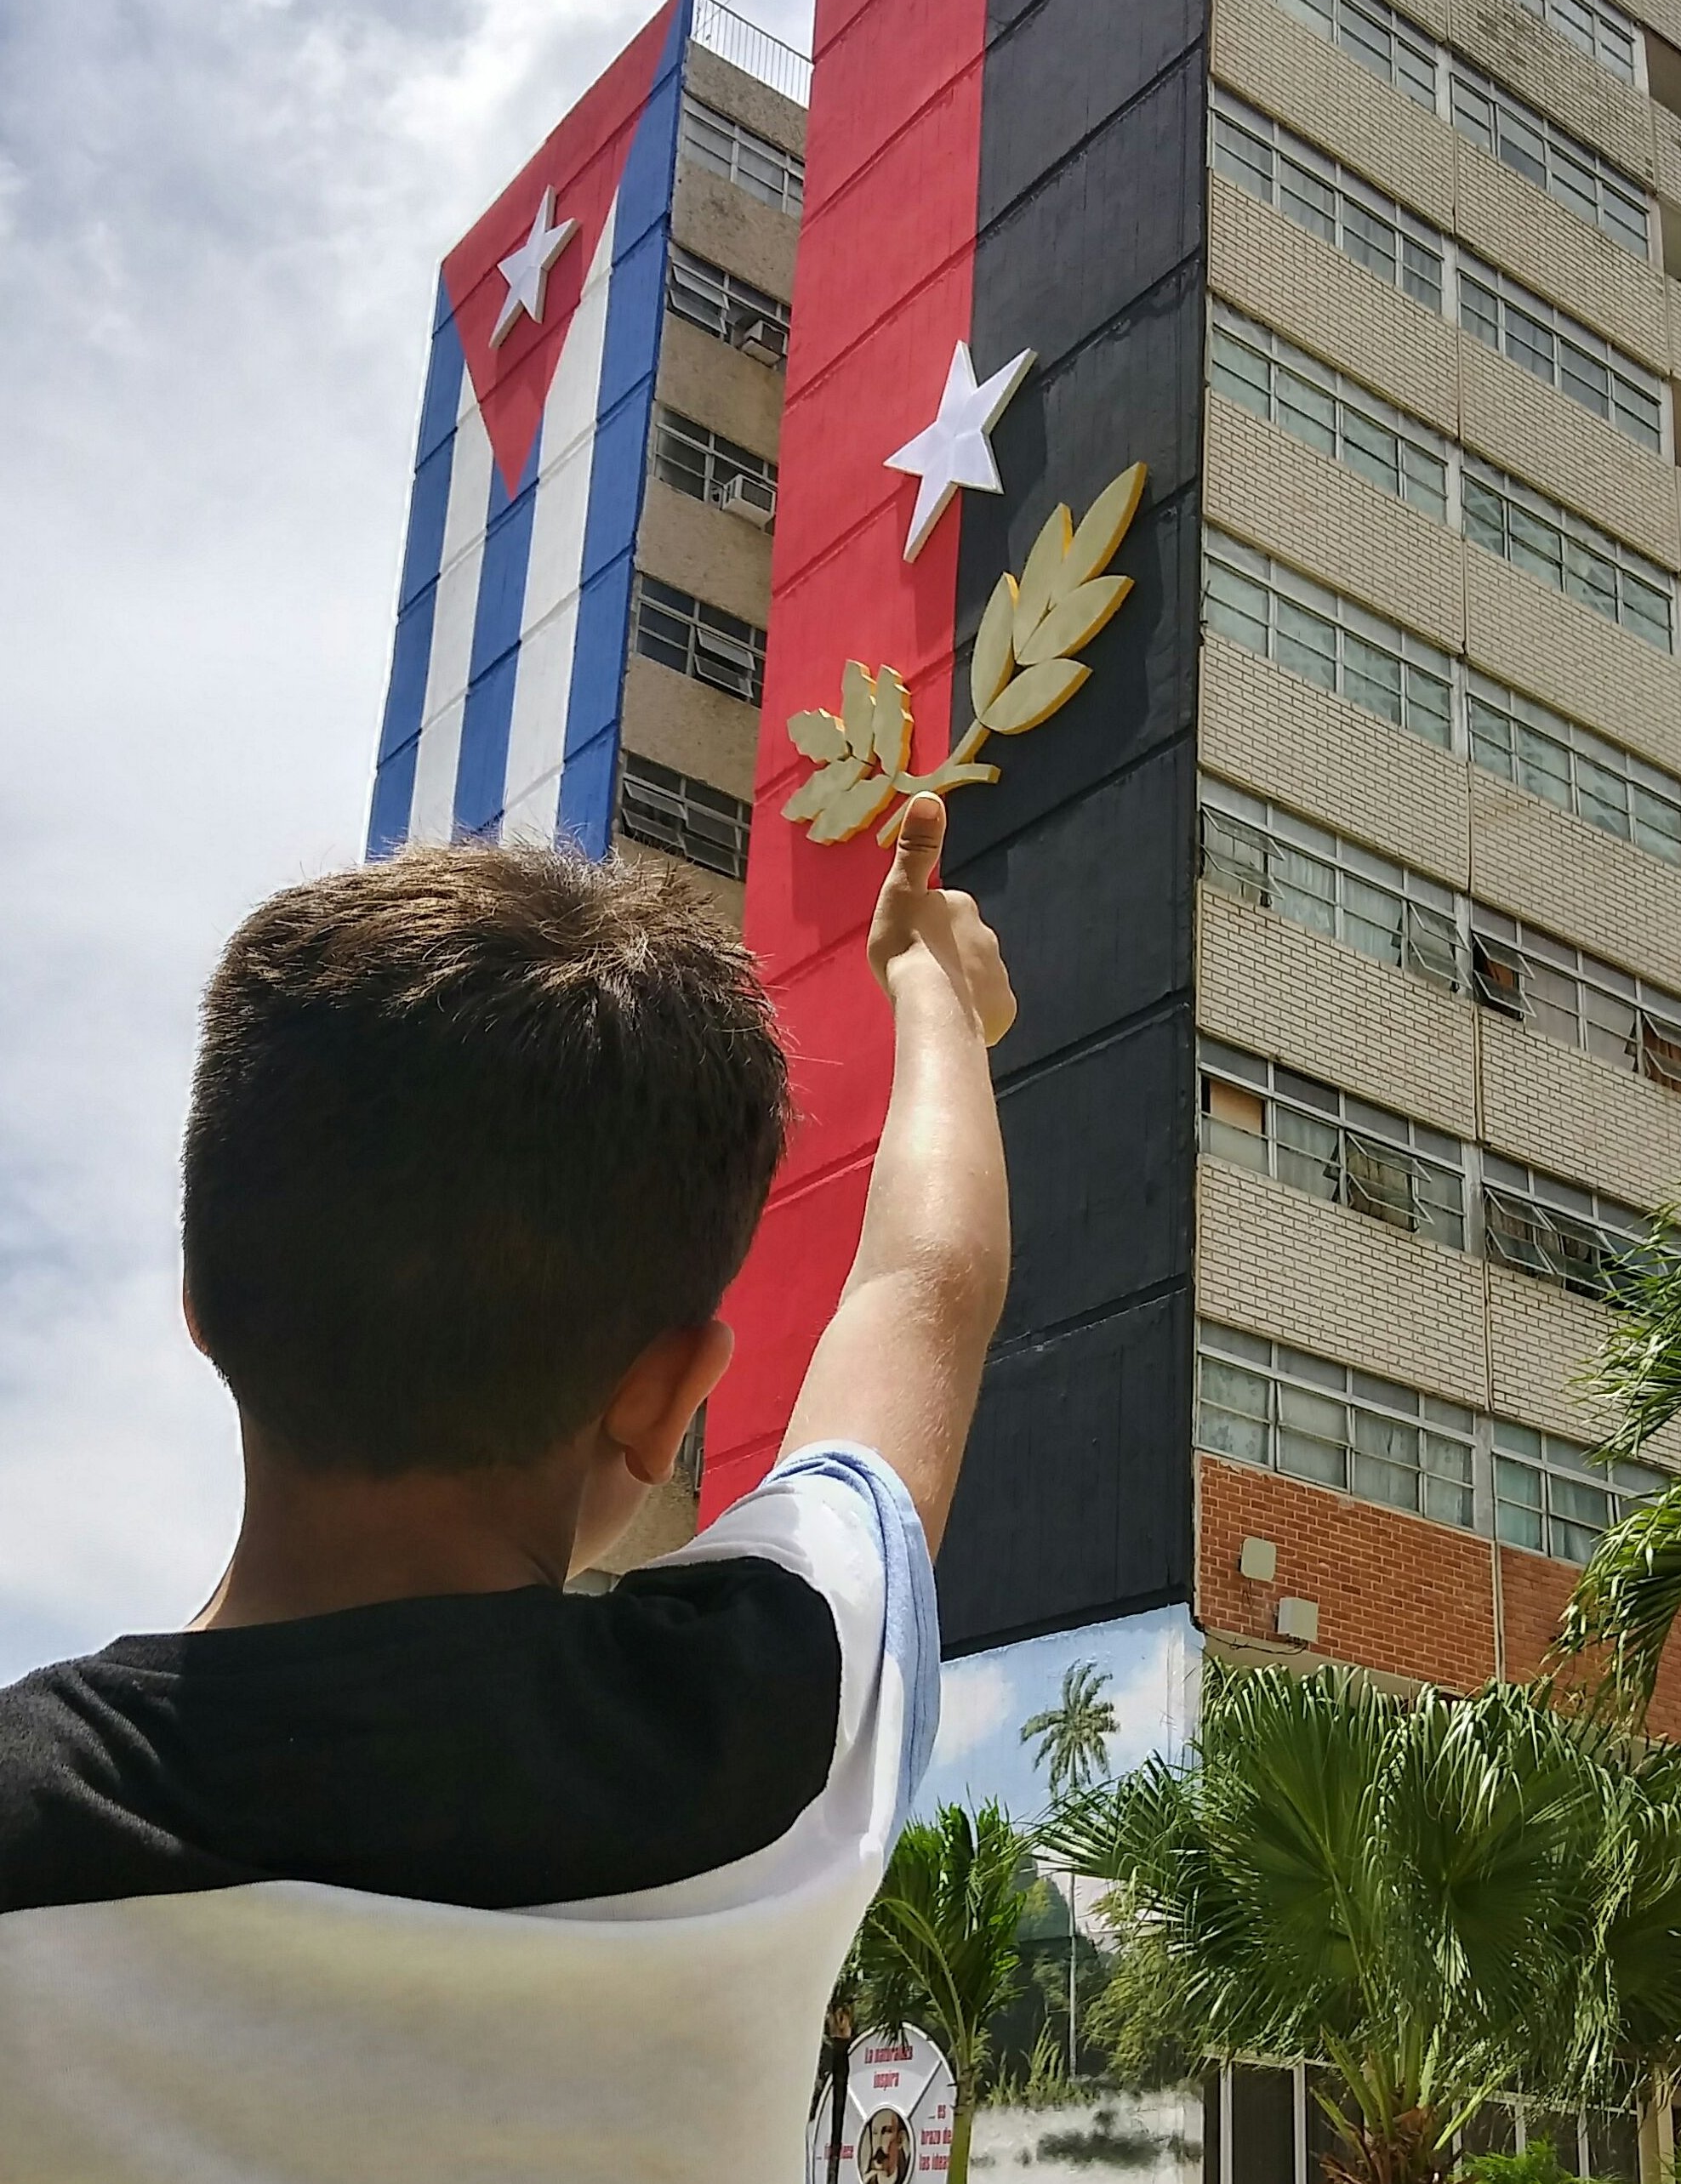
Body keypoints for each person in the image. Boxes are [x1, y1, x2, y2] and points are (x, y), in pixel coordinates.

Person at [0, 792, 1014, 2182]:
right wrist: (933, 994)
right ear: (664, 1399)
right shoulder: (758, 1729)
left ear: (205, 1308)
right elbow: (928, 1290)